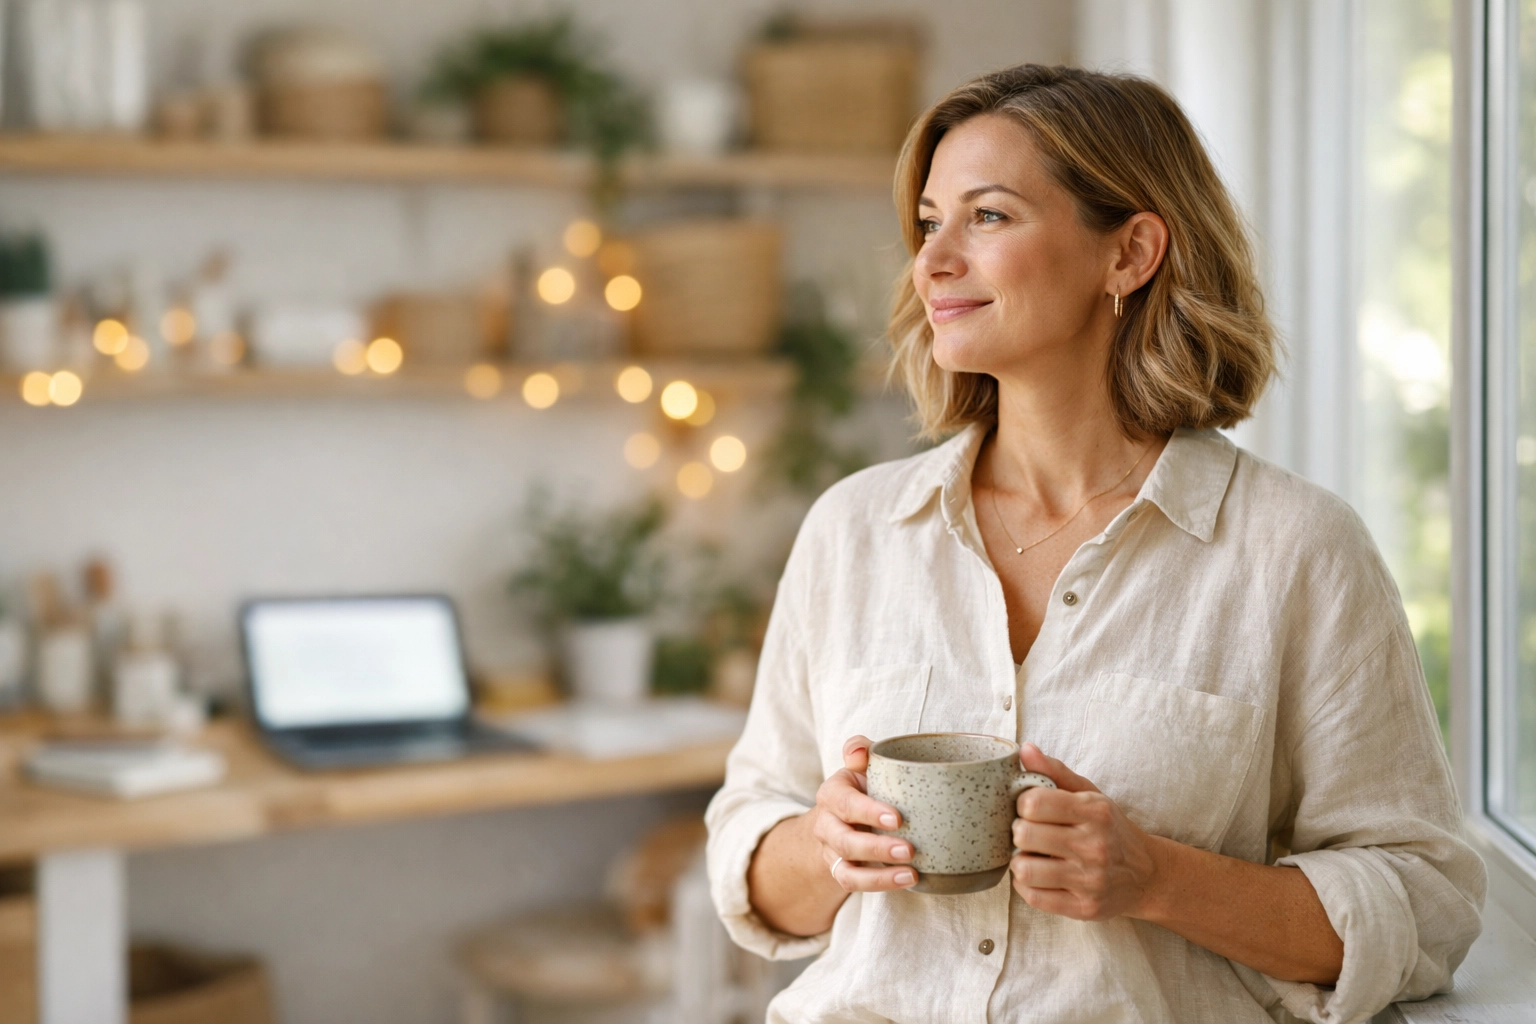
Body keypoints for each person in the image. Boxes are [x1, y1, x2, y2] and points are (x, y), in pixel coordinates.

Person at [704, 64, 1484, 1024]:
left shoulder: (1294, 551)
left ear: (1131, 253)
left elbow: (1428, 905)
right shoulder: (853, 531)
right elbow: (750, 856)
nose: (933, 260)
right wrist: (827, 844)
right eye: (927, 223)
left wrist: (1158, 877)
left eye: (986, 218)